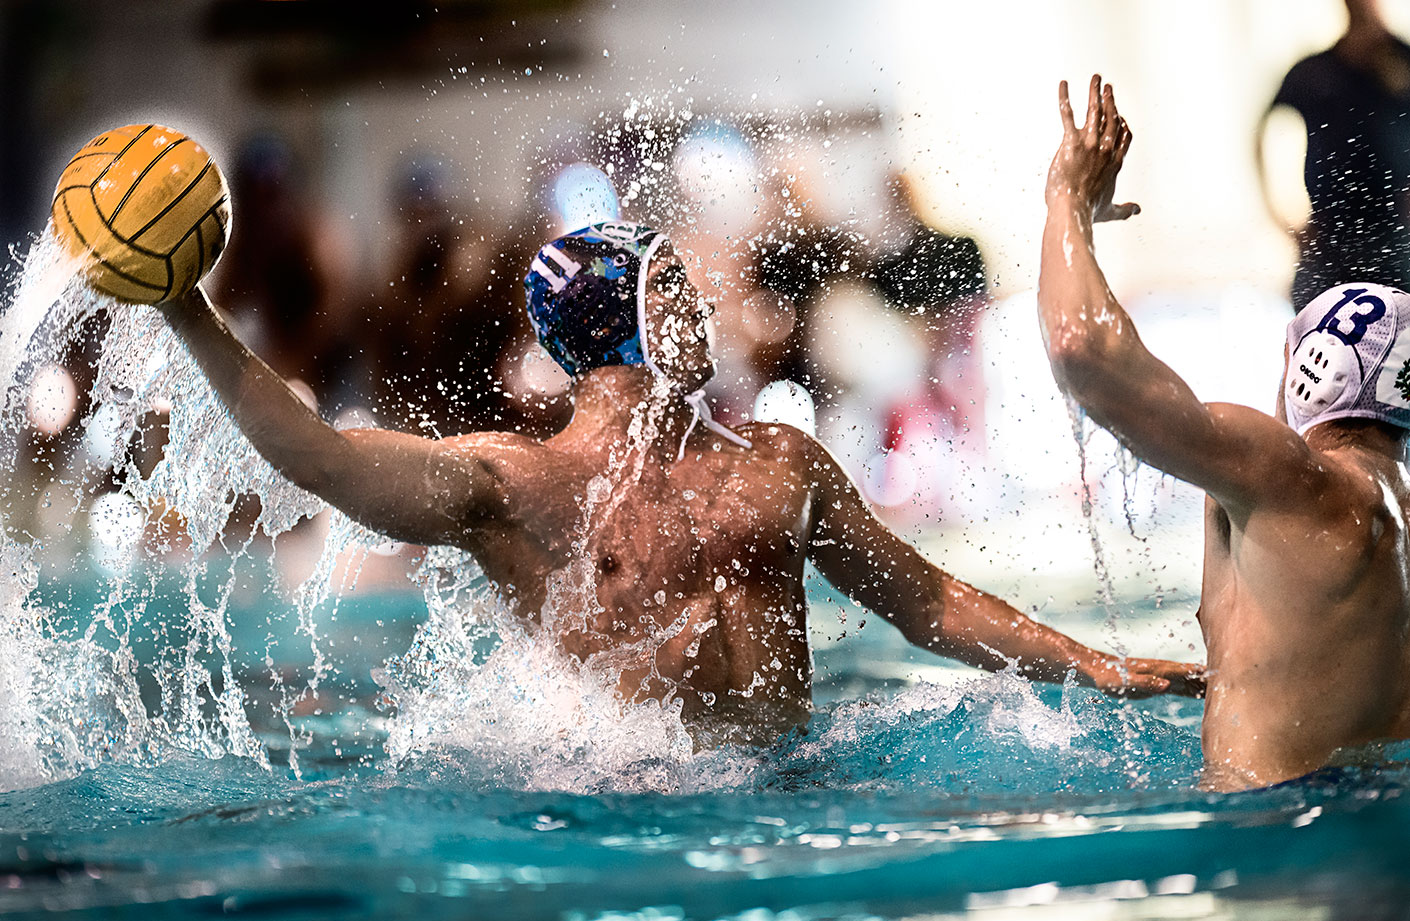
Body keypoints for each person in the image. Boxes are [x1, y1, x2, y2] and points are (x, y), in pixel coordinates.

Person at [156, 218, 1202, 745]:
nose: (701, 306)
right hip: (632, 802)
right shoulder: (513, 486)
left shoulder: (777, 461)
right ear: (617, 321)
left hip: (795, 785)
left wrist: (1091, 663)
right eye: (672, 288)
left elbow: (923, 599)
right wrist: (186, 312)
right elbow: (318, 455)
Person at [1041, 75, 1410, 790]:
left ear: (1303, 370)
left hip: (1270, 829)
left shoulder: (1293, 482)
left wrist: (1068, 201)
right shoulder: (1389, 506)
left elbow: (1083, 352)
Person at [1257, 0, 1410, 309]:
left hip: (1397, 242)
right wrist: (1283, 220)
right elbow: (1261, 135)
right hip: (1331, 241)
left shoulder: (1402, 61)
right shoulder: (1315, 74)